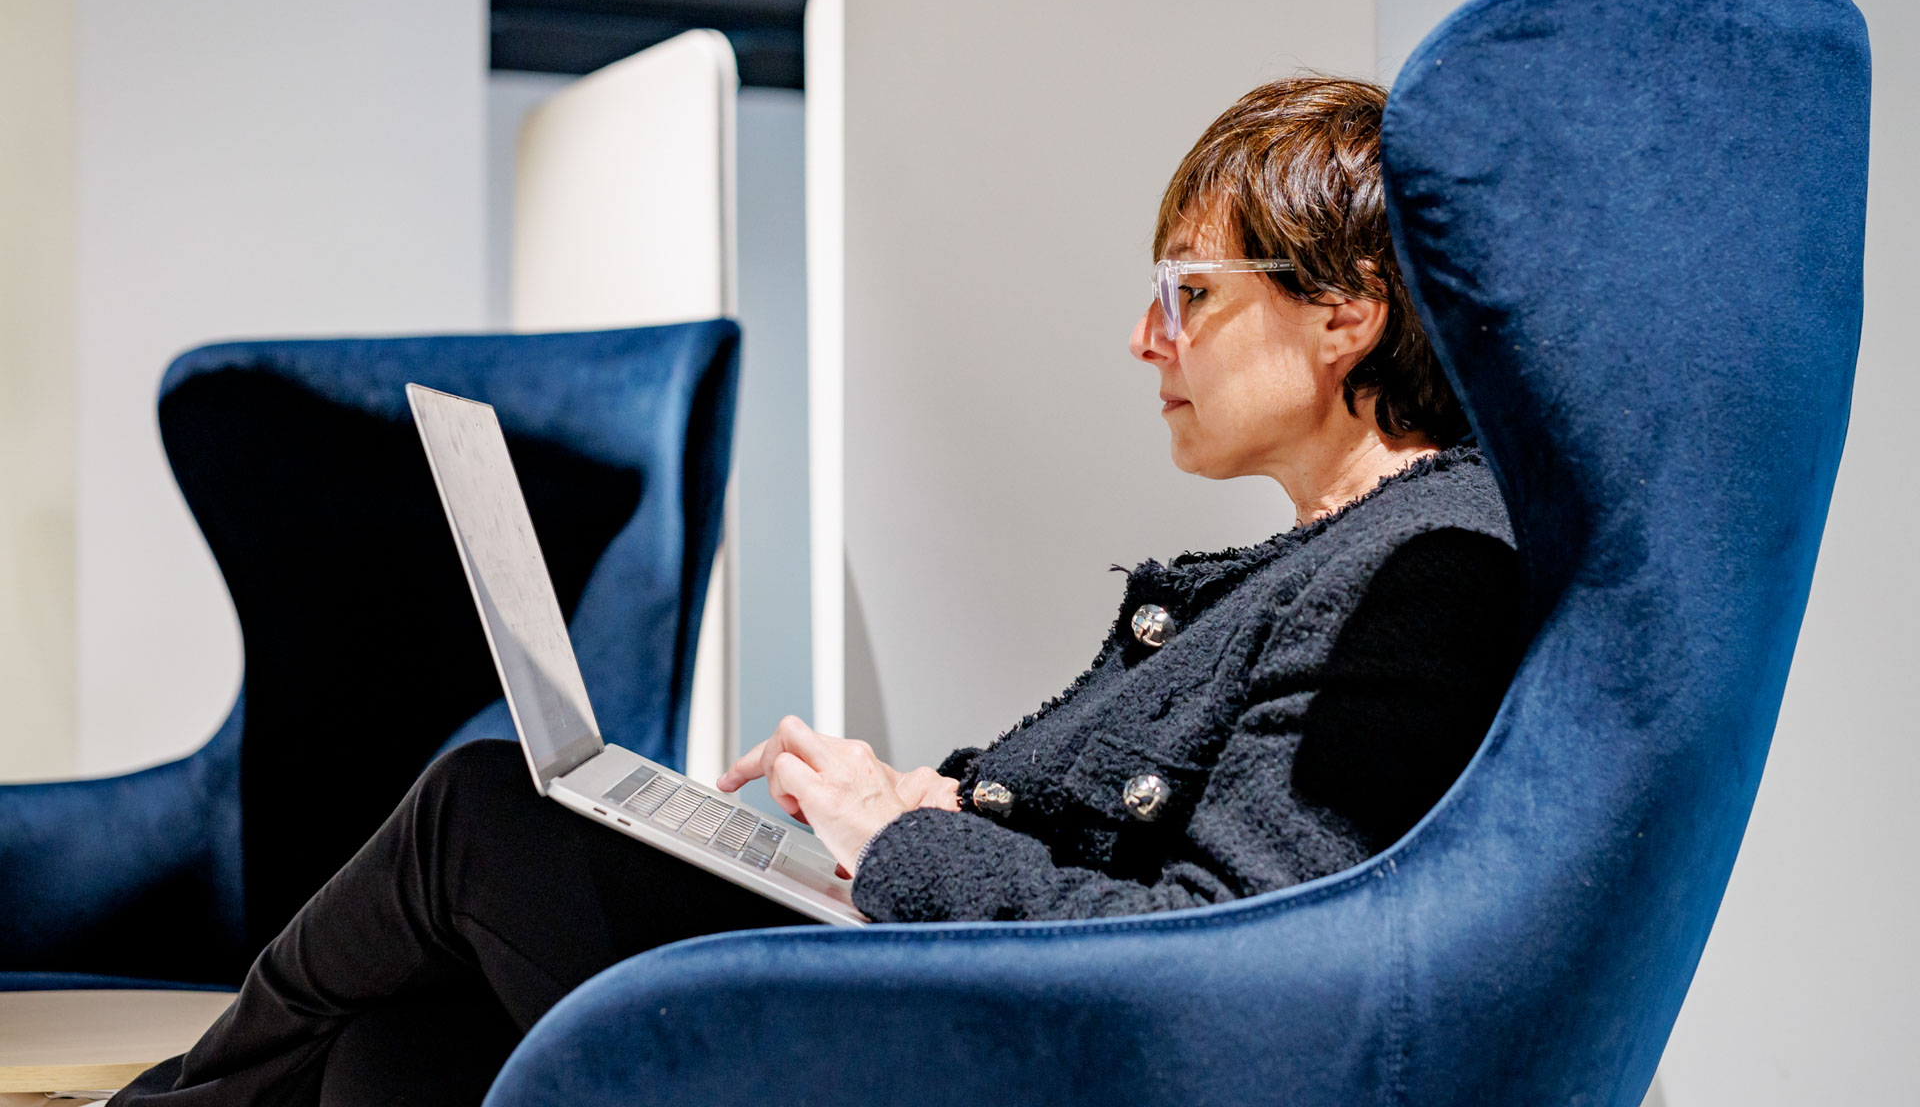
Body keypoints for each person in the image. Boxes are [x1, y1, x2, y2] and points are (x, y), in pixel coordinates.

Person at [114, 76, 1526, 1105]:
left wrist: (899, 840)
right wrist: (911, 798)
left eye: (1191, 295)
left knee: (480, 816)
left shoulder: (1424, 572)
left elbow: (1238, 956)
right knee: (401, 1049)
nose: (1146, 339)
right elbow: (1132, 859)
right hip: (964, 991)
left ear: (1347, 311)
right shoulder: (1348, 554)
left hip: (1015, 1054)